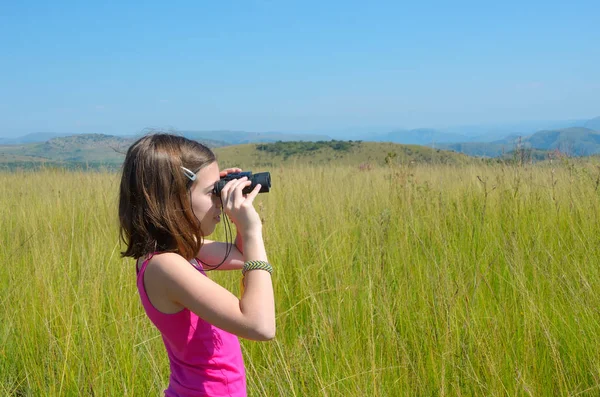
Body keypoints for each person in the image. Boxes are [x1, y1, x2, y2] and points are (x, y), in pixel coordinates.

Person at [118, 133, 275, 396]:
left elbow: (239, 255)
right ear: (175, 198)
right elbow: (261, 325)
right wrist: (252, 230)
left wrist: (233, 212)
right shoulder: (165, 266)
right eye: (212, 192)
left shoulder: (176, 249)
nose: (219, 200)